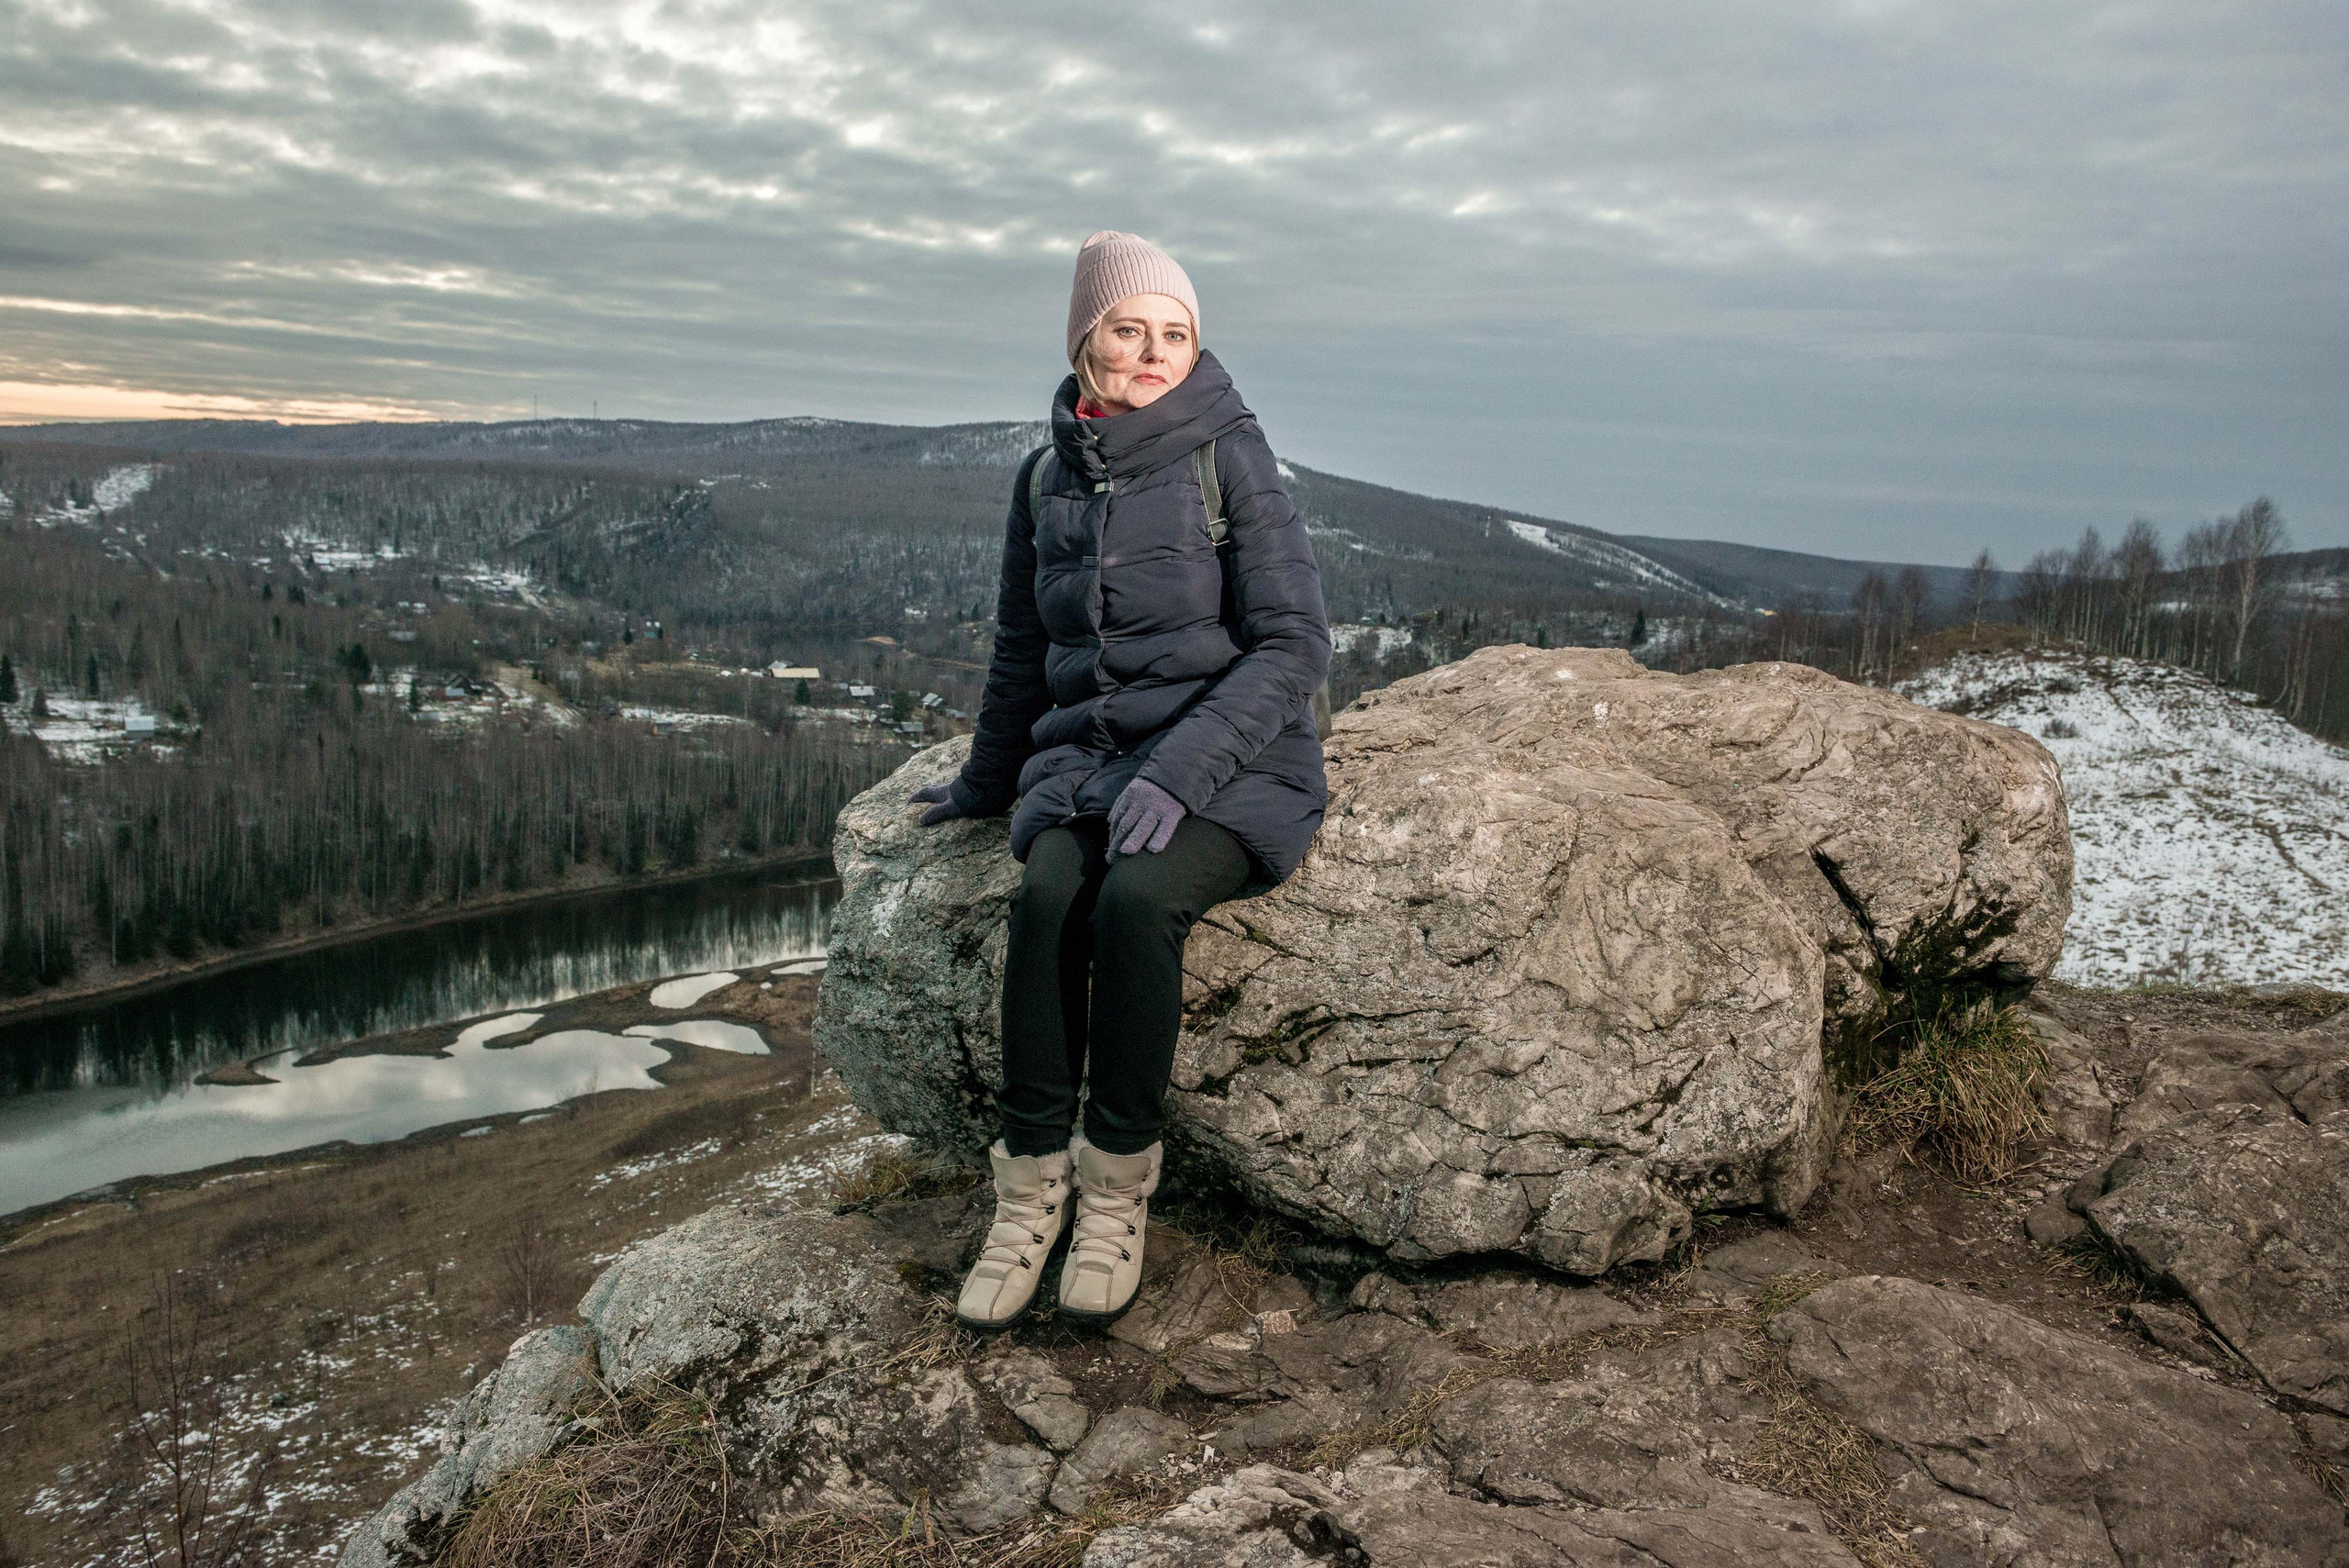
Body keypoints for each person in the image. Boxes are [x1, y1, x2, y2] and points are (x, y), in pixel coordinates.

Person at [910, 230, 1331, 1329]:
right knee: (1048, 898)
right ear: (1085, 338)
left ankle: (1113, 1192)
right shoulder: (1045, 475)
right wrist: (983, 782)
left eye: (1174, 333)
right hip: (1091, 761)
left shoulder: (1229, 456)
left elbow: (1293, 646)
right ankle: (1028, 1189)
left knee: (1137, 901)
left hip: (1231, 760)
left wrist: (1182, 775)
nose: (1151, 353)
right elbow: (1020, 648)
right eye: (1127, 329)